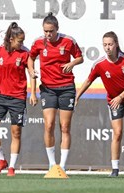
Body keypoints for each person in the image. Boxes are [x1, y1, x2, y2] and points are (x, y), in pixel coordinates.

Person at [75, 31, 124, 177]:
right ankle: (115, 169)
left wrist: (121, 97)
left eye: (110, 44)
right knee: (118, 132)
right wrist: (77, 96)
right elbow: (88, 80)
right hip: (114, 99)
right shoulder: (100, 64)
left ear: (116, 44)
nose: (107, 48)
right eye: (105, 45)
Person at [28, 12, 84, 173]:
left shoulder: (68, 41)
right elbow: (30, 58)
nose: (48, 34)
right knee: (49, 124)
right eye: (45, 31)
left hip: (66, 87)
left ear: (57, 29)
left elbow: (80, 57)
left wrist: (72, 63)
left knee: (65, 126)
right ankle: (52, 164)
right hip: (48, 89)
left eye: (51, 31)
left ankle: (63, 166)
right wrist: (31, 71)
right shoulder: (38, 42)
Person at [0, 22, 37, 177]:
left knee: (16, 132)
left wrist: (33, 92)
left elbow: (32, 71)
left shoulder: (25, 53)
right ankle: (1, 160)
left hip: (18, 97)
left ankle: (11, 167)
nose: (22, 44)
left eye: (23, 41)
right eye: (20, 41)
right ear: (11, 39)